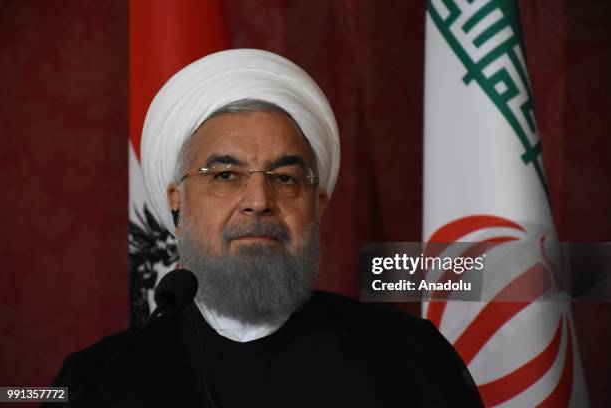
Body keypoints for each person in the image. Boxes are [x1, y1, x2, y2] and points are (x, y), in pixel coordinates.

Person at [50, 49, 483, 407]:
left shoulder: (409, 358)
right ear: (176, 202)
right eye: (224, 175)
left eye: (286, 178)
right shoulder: (98, 381)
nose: (259, 201)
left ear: (318, 205)